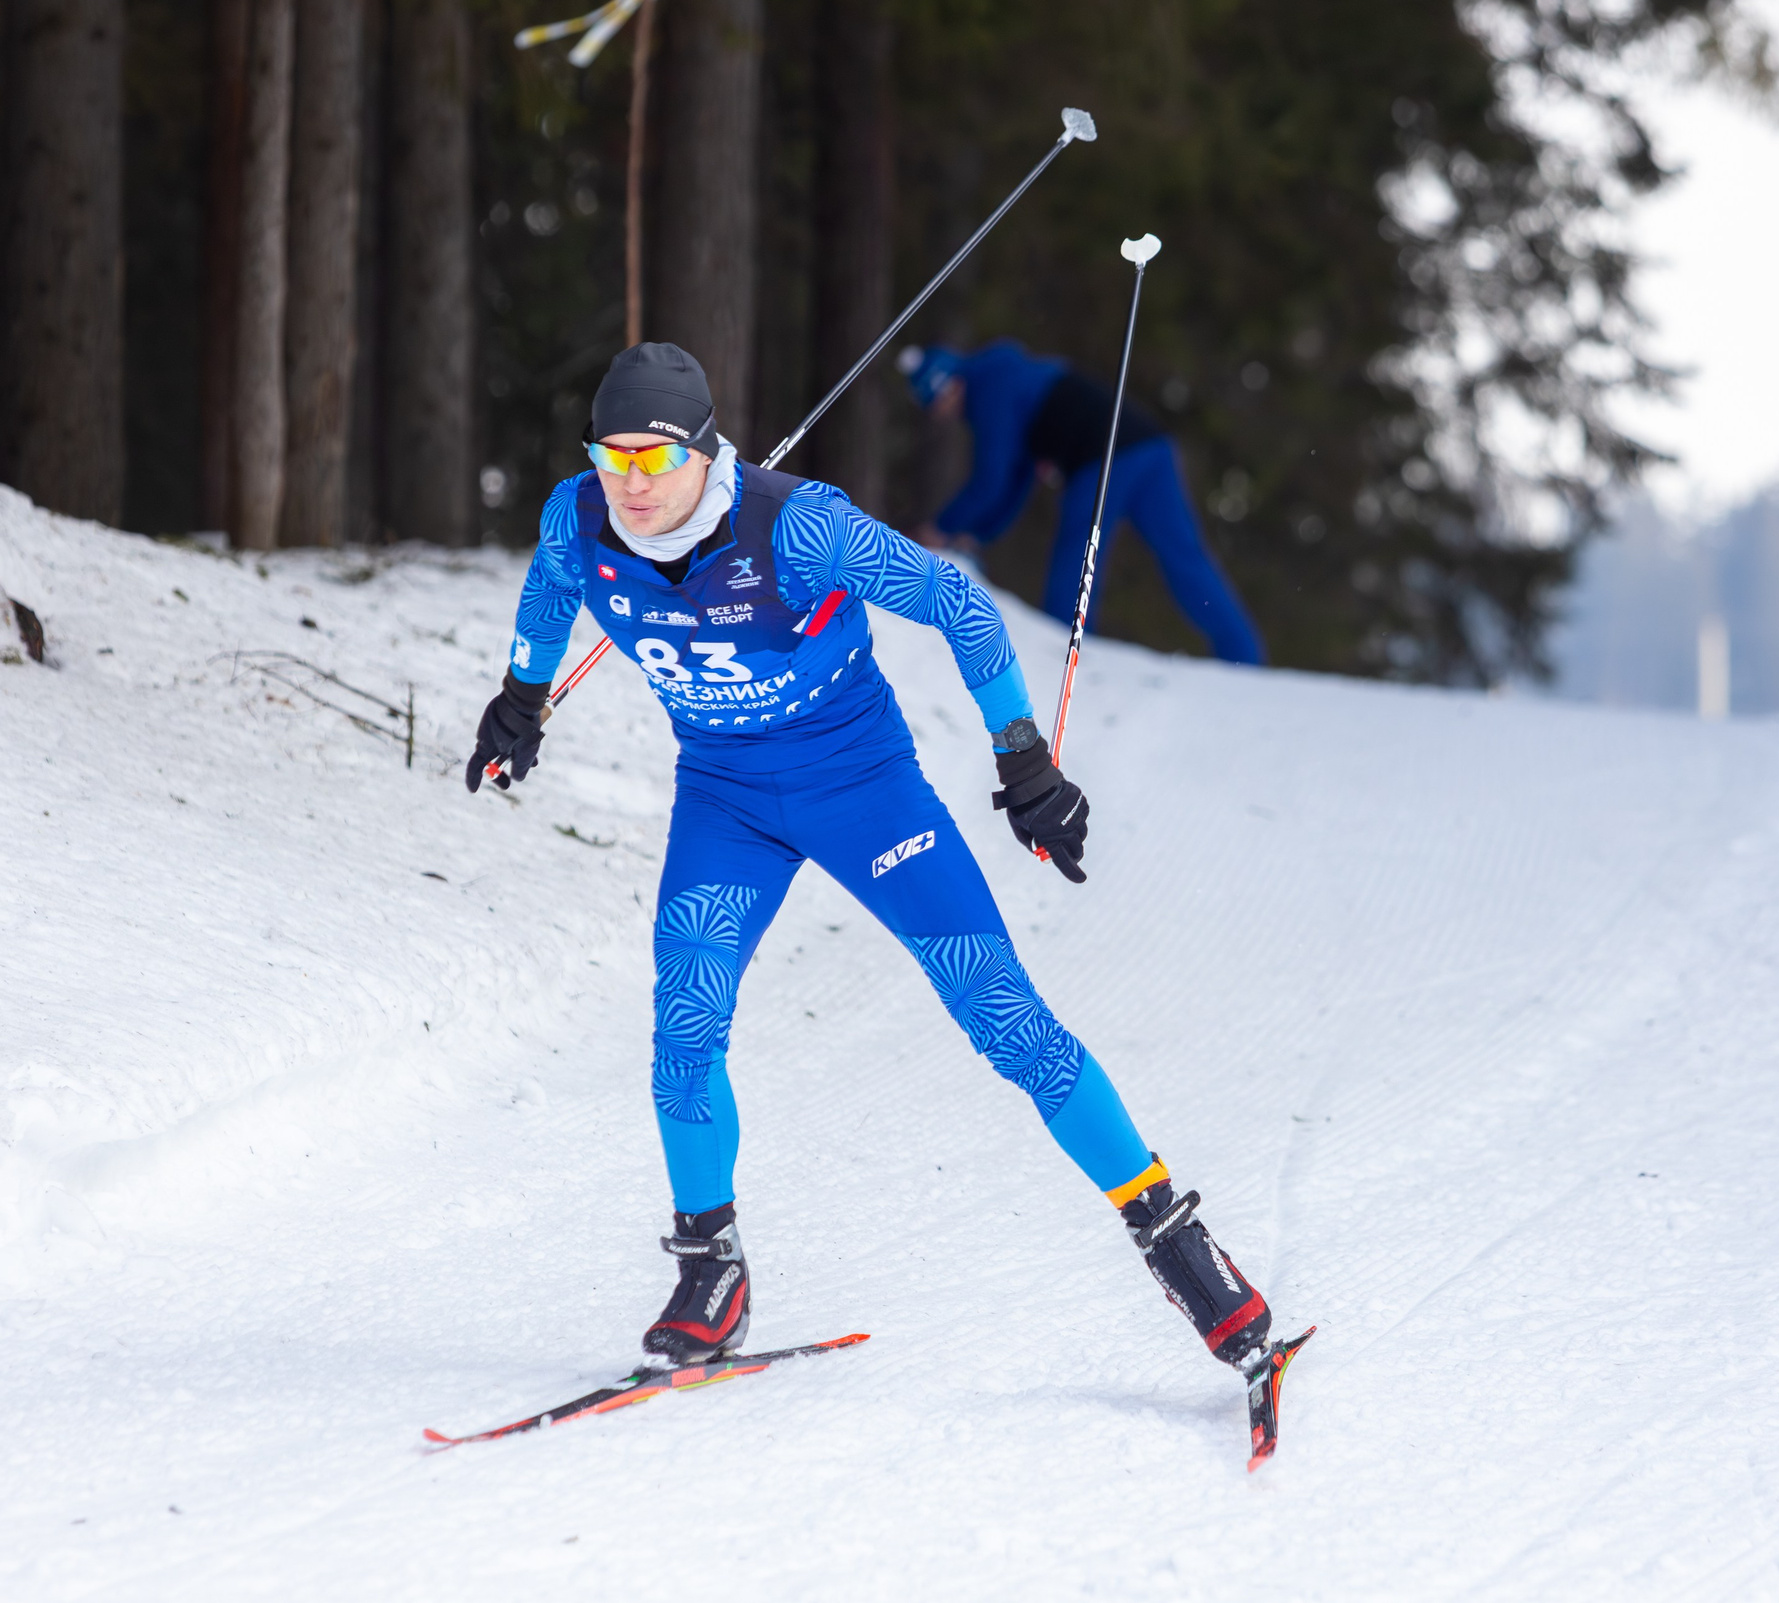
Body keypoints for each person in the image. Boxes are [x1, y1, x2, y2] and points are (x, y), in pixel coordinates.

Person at [466, 341, 1272, 1377]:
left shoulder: (796, 527)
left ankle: (1177, 1240)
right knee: (684, 1015)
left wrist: (1024, 759)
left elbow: (960, 605)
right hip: (726, 800)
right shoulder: (577, 517)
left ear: (704, 457)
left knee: (1002, 1017)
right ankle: (711, 1270)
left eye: (655, 463)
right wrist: (520, 701)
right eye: (612, 457)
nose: (631, 483)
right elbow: (547, 590)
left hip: (862, 790)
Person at [902, 340, 1266, 666]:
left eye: (939, 401)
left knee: (1077, 557)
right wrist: (976, 534)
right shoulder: (1012, 376)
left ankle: (1063, 653)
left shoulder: (988, 390)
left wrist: (942, 528)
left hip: (1103, 459)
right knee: (1185, 557)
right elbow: (1017, 480)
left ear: (950, 384)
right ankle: (1243, 655)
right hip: (1150, 445)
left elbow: (992, 478)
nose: (944, 412)